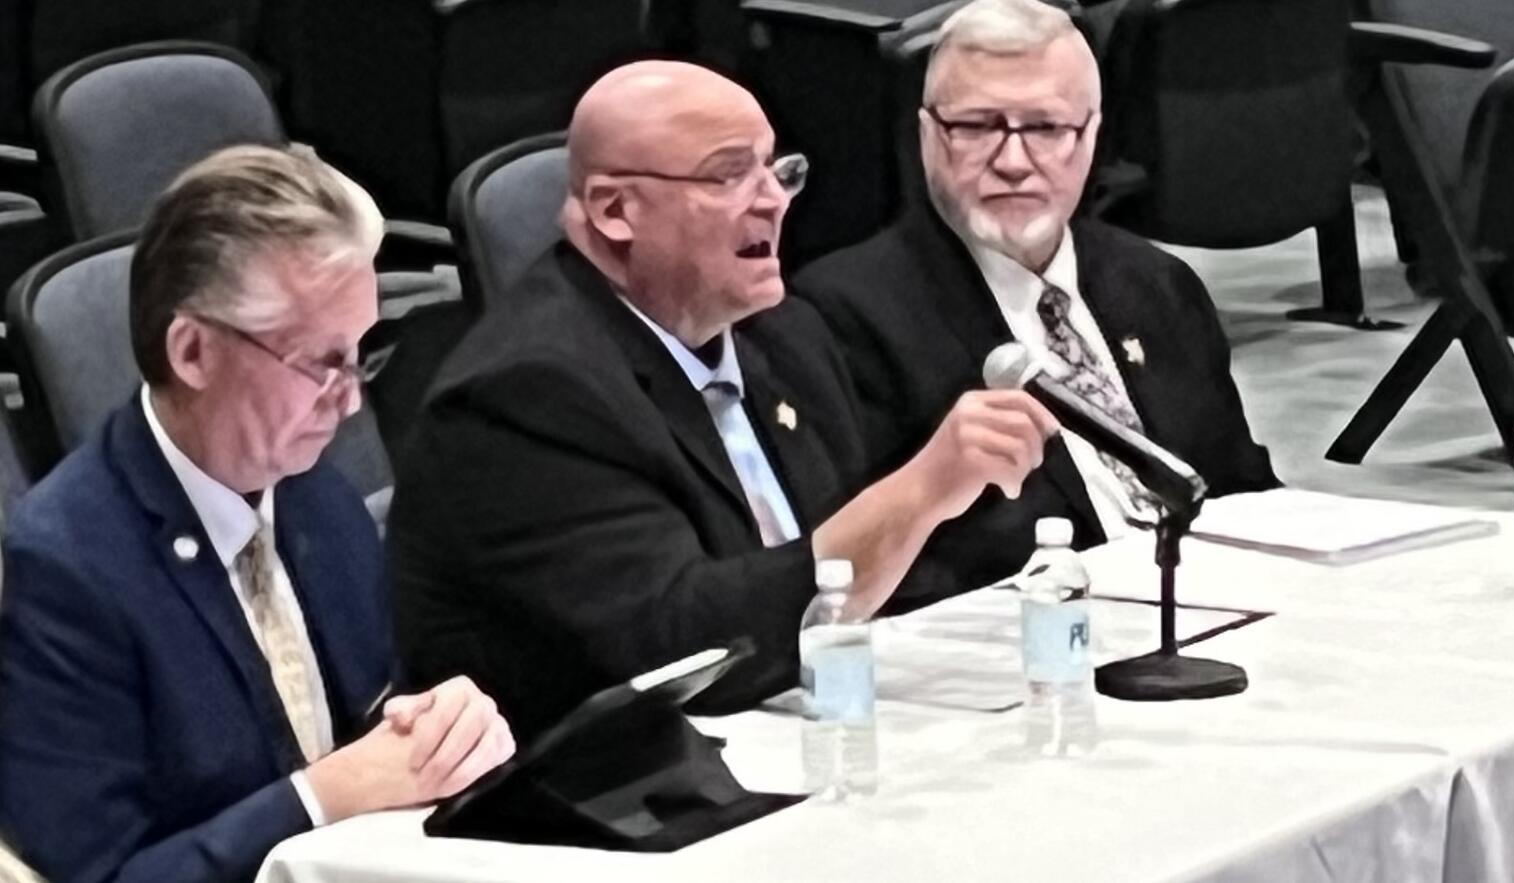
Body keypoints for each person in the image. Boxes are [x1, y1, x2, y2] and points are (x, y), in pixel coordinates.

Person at [389, 61, 1057, 735]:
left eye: (775, 169)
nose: (773, 200)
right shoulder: (529, 394)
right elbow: (686, 647)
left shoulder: (783, 333)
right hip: (590, 797)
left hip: (792, 725)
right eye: (729, 174)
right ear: (614, 210)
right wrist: (918, 494)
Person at [0, 145, 514, 883]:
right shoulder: (62, 570)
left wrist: (441, 734)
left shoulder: (319, 499)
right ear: (194, 351)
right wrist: (318, 798)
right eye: (321, 362)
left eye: (360, 356)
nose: (351, 400)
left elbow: (374, 730)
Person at [797, 0, 1278, 600]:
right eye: (976, 127)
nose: (1014, 162)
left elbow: (1242, 489)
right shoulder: (843, 316)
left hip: (1211, 608)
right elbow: (862, 574)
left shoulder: (1158, 285)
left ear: (1091, 136)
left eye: (1047, 128)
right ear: (926, 137)